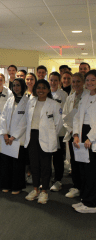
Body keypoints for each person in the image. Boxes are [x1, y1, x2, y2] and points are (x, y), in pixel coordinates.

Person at [20, 80, 63, 204]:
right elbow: (27, 119)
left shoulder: (54, 104)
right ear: (35, 89)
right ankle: (35, 189)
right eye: (38, 88)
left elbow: (59, 124)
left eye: (44, 88)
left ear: (48, 90)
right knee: (34, 165)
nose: (41, 90)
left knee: (45, 166)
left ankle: (44, 191)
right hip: (32, 136)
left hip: (46, 137)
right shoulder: (31, 102)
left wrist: (50, 134)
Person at [0, 78, 29, 194]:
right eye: (14, 85)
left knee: (17, 164)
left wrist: (14, 136)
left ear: (23, 86)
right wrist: (5, 133)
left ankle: (16, 186)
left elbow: (25, 121)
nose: (16, 87)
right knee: (6, 163)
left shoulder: (28, 101)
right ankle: (5, 184)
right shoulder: (9, 100)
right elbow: (3, 117)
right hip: (7, 137)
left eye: (18, 85)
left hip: (18, 138)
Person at [72, 70, 96, 213]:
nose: (89, 83)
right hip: (82, 134)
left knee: (92, 172)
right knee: (85, 171)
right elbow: (77, 117)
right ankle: (85, 199)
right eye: (87, 80)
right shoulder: (86, 96)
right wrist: (76, 134)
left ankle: (92, 204)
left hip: (92, 137)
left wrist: (90, 138)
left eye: (93, 80)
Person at [63, 72, 88, 198]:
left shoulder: (88, 96)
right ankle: (76, 186)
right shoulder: (69, 98)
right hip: (73, 134)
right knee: (75, 161)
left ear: (83, 82)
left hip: (86, 134)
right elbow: (65, 117)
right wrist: (72, 131)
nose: (76, 84)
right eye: (74, 82)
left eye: (78, 81)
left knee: (85, 162)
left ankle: (86, 188)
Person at [48, 72, 68, 192]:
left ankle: (58, 180)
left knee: (57, 157)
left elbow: (63, 115)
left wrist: (55, 132)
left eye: (56, 80)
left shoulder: (63, 95)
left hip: (58, 132)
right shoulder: (46, 93)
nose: (53, 82)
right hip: (47, 131)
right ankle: (47, 179)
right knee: (46, 157)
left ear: (59, 82)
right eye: (51, 80)